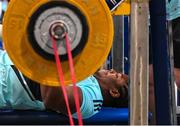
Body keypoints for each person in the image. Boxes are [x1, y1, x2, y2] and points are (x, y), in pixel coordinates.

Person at [0, 49, 128, 119]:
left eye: (116, 76)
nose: (112, 70)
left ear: (114, 92)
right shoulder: (88, 71)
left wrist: (52, 53)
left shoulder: (93, 98)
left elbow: (56, 97)